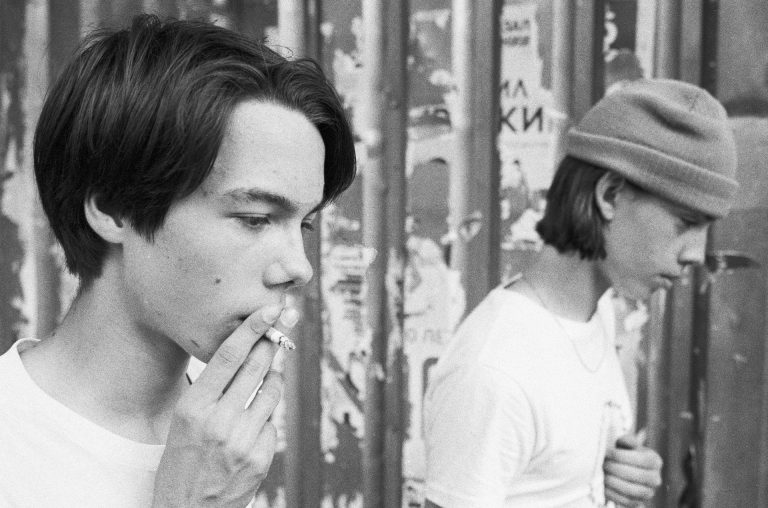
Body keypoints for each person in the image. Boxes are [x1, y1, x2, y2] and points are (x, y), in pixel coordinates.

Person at [0, 14, 355, 507]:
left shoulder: (228, 444)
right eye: (255, 218)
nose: (300, 268)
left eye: (305, 224)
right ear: (113, 209)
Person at [423, 79, 738, 507]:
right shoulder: (494, 371)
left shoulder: (592, 314)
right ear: (609, 195)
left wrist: (613, 478)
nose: (697, 254)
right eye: (685, 223)